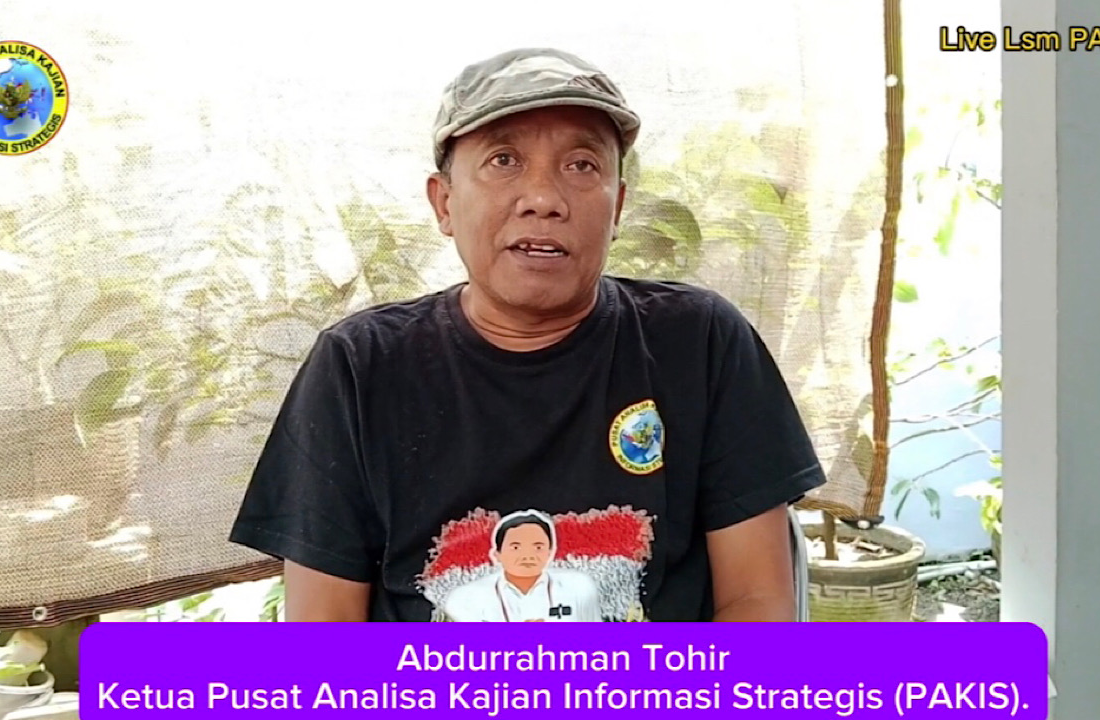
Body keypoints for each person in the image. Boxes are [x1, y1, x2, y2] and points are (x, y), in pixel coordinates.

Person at [228, 47, 827, 622]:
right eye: (503, 160)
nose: (543, 199)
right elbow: (323, 631)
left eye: (581, 165)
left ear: (617, 206)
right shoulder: (360, 368)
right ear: (444, 202)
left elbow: (757, 602)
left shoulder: (700, 343)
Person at [439, 510, 602, 622]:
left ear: (550, 552)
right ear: (497, 554)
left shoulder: (578, 586)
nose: (527, 555)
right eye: (516, 547)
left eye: (538, 547)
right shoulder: (466, 597)